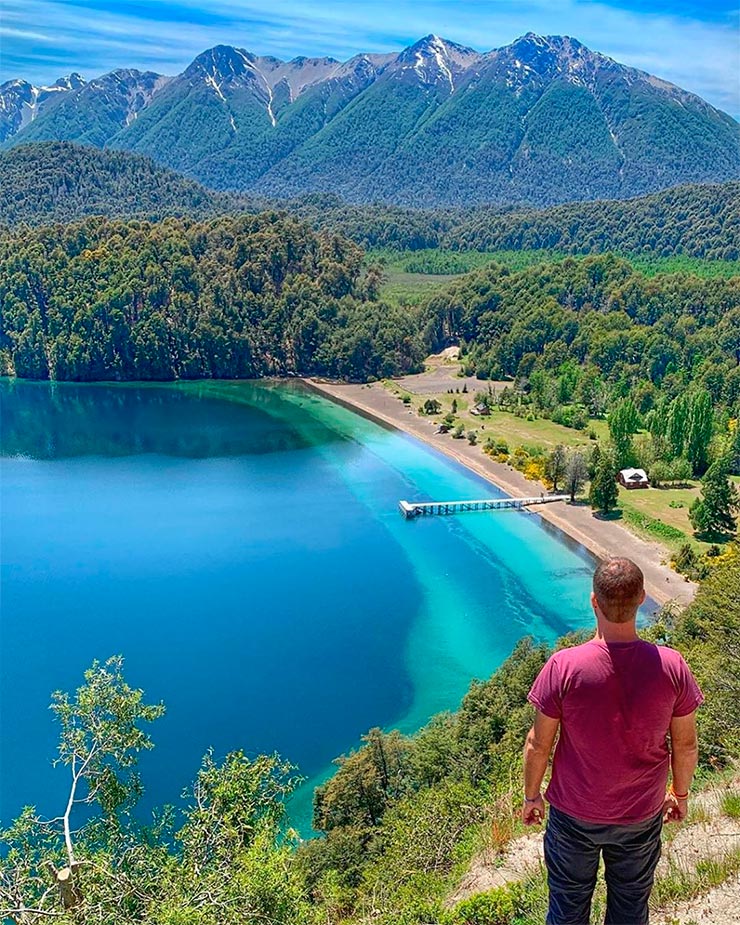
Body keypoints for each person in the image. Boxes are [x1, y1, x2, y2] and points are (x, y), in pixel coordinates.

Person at [521, 557, 703, 925]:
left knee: (568, 908)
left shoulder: (564, 667)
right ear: (642, 599)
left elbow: (539, 744)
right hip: (641, 812)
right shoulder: (672, 666)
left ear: (593, 602)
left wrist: (531, 795)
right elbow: (685, 745)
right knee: (630, 908)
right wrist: (680, 794)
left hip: (574, 814)